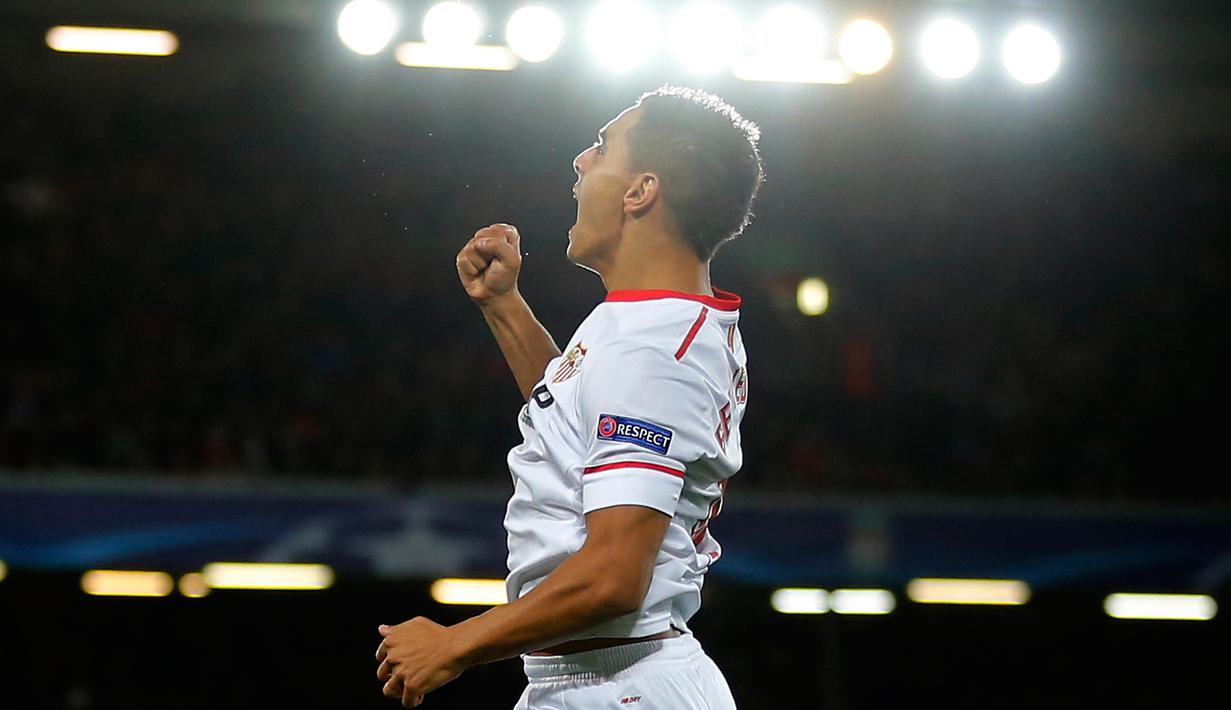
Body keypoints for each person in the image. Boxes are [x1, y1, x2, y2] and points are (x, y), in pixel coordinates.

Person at [375, 85, 764, 708]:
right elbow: (579, 416)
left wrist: (452, 645)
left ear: (641, 191)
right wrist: (505, 309)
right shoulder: (653, 324)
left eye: (602, 148)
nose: (581, 162)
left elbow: (613, 578)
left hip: (623, 684)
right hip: (608, 677)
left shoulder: (651, 352)